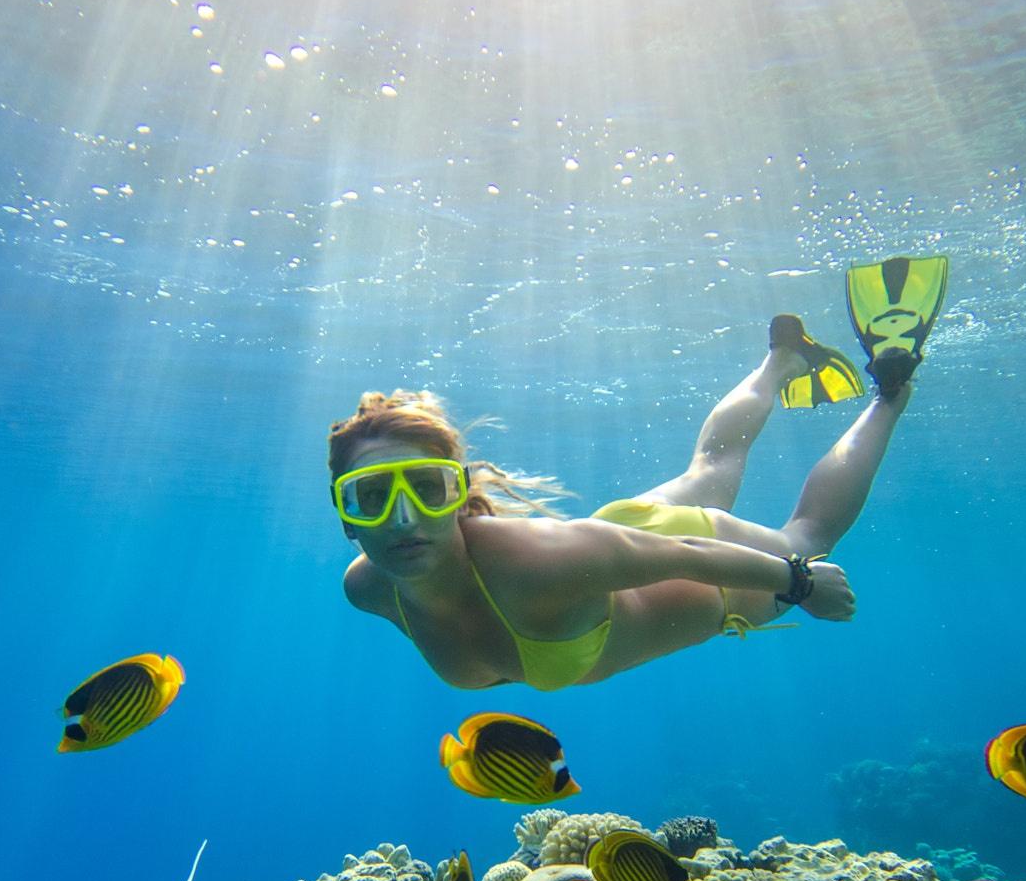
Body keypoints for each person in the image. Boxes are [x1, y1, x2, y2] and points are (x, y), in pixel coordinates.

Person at [330, 257, 949, 691]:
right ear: (345, 519)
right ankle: (782, 356)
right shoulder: (368, 589)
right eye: (371, 498)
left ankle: (890, 391)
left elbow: (683, 554)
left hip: (693, 576)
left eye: (427, 488)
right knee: (711, 467)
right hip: (619, 536)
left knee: (808, 535)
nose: (403, 517)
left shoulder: (537, 561)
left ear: (459, 496)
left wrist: (799, 582)